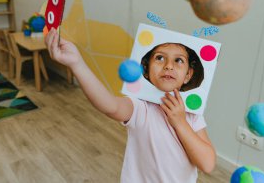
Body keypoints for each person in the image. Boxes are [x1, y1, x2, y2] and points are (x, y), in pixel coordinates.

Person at [45, 28, 216, 183]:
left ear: (188, 75)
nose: (168, 66)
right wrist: (77, 64)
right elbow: (110, 106)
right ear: (146, 69)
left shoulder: (192, 115)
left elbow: (207, 164)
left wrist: (180, 122)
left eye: (178, 60)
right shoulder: (141, 107)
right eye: (160, 58)